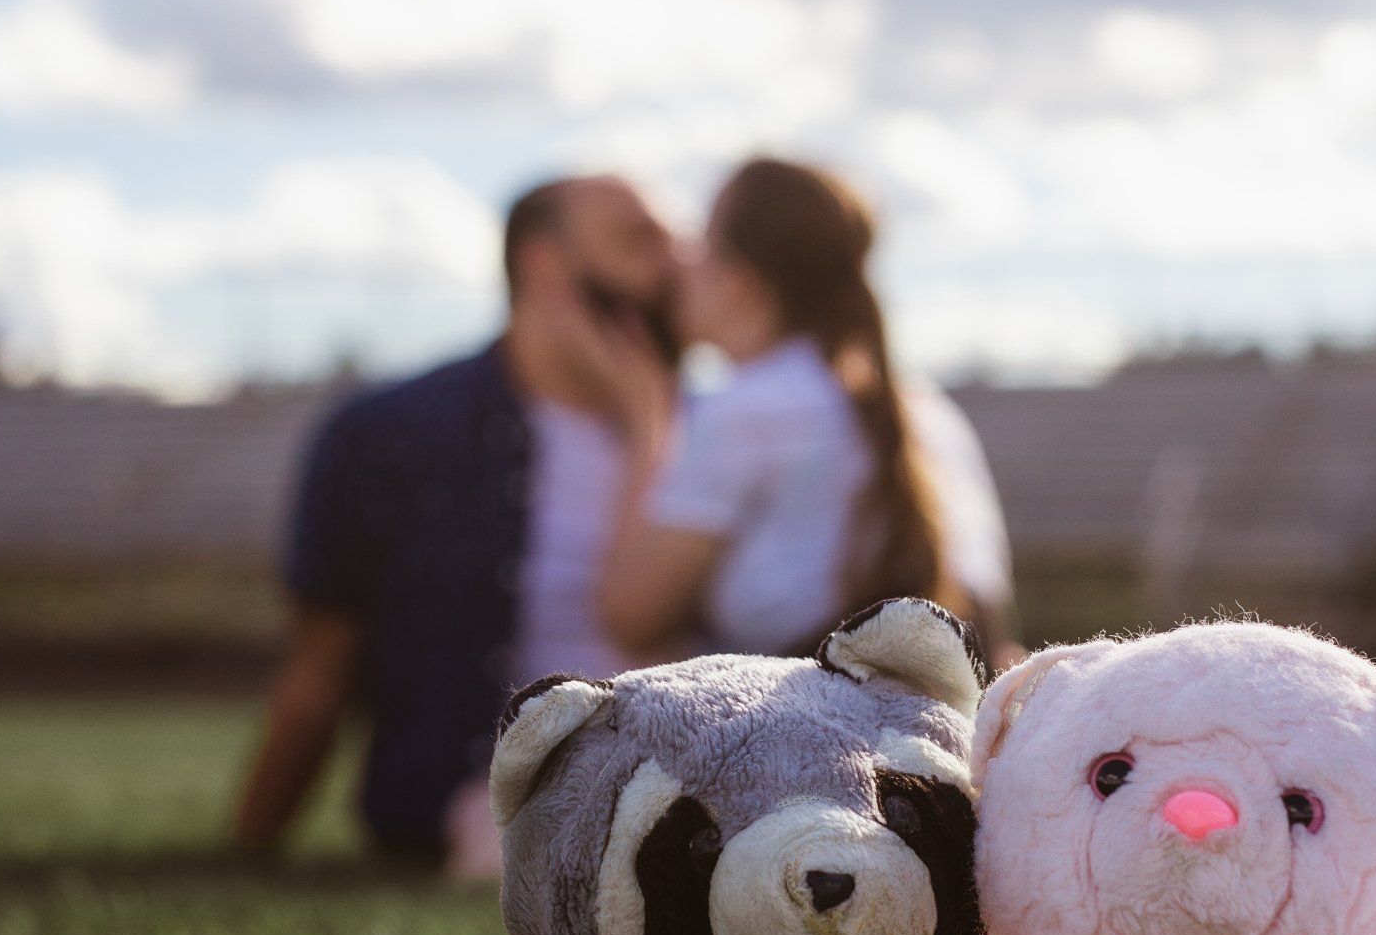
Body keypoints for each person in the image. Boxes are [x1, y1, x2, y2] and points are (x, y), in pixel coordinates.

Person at [232, 173, 679, 869]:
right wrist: (248, 851)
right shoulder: (389, 434)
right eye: (639, 241)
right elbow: (320, 668)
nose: (674, 267)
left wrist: (653, 425)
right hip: (463, 821)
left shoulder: (720, 432)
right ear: (546, 266)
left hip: (677, 801)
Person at [588, 155, 1015, 664]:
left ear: (738, 282)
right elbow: (986, 612)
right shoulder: (927, 408)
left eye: (701, 242)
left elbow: (630, 616)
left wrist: (648, 423)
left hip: (795, 713)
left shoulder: (747, 410)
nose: (680, 264)